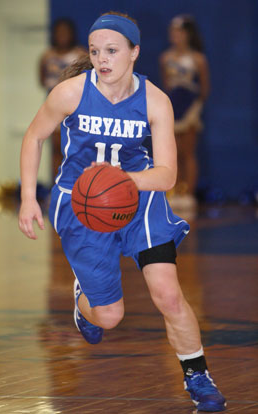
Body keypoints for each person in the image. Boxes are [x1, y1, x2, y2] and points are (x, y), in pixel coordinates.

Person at [19, 11, 226, 412]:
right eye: (96, 51)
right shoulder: (71, 92)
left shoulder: (154, 100)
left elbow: (166, 175)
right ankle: (85, 305)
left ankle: (197, 375)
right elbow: (34, 136)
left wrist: (121, 182)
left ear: (134, 52)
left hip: (139, 196)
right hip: (81, 203)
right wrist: (29, 197)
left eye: (112, 51)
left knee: (168, 293)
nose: (103, 60)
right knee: (109, 317)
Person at [159, 15, 210, 209]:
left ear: (188, 34)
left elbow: (204, 88)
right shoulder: (165, 57)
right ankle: (175, 190)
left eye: (179, 32)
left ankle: (188, 193)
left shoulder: (198, 59)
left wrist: (195, 108)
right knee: (173, 152)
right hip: (174, 107)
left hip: (190, 108)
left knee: (187, 151)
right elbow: (167, 85)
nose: (175, 36)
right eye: (173, 32)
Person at [39, 18, 88, 178]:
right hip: (53, 107)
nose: (62, 35)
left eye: (65, 32)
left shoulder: (81, 54)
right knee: (55, 148)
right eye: (59, 32)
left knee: (77, 148)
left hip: (75, 107)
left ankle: (79, 183)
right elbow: (41, 80)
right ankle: (56, 183)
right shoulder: (47, 56)